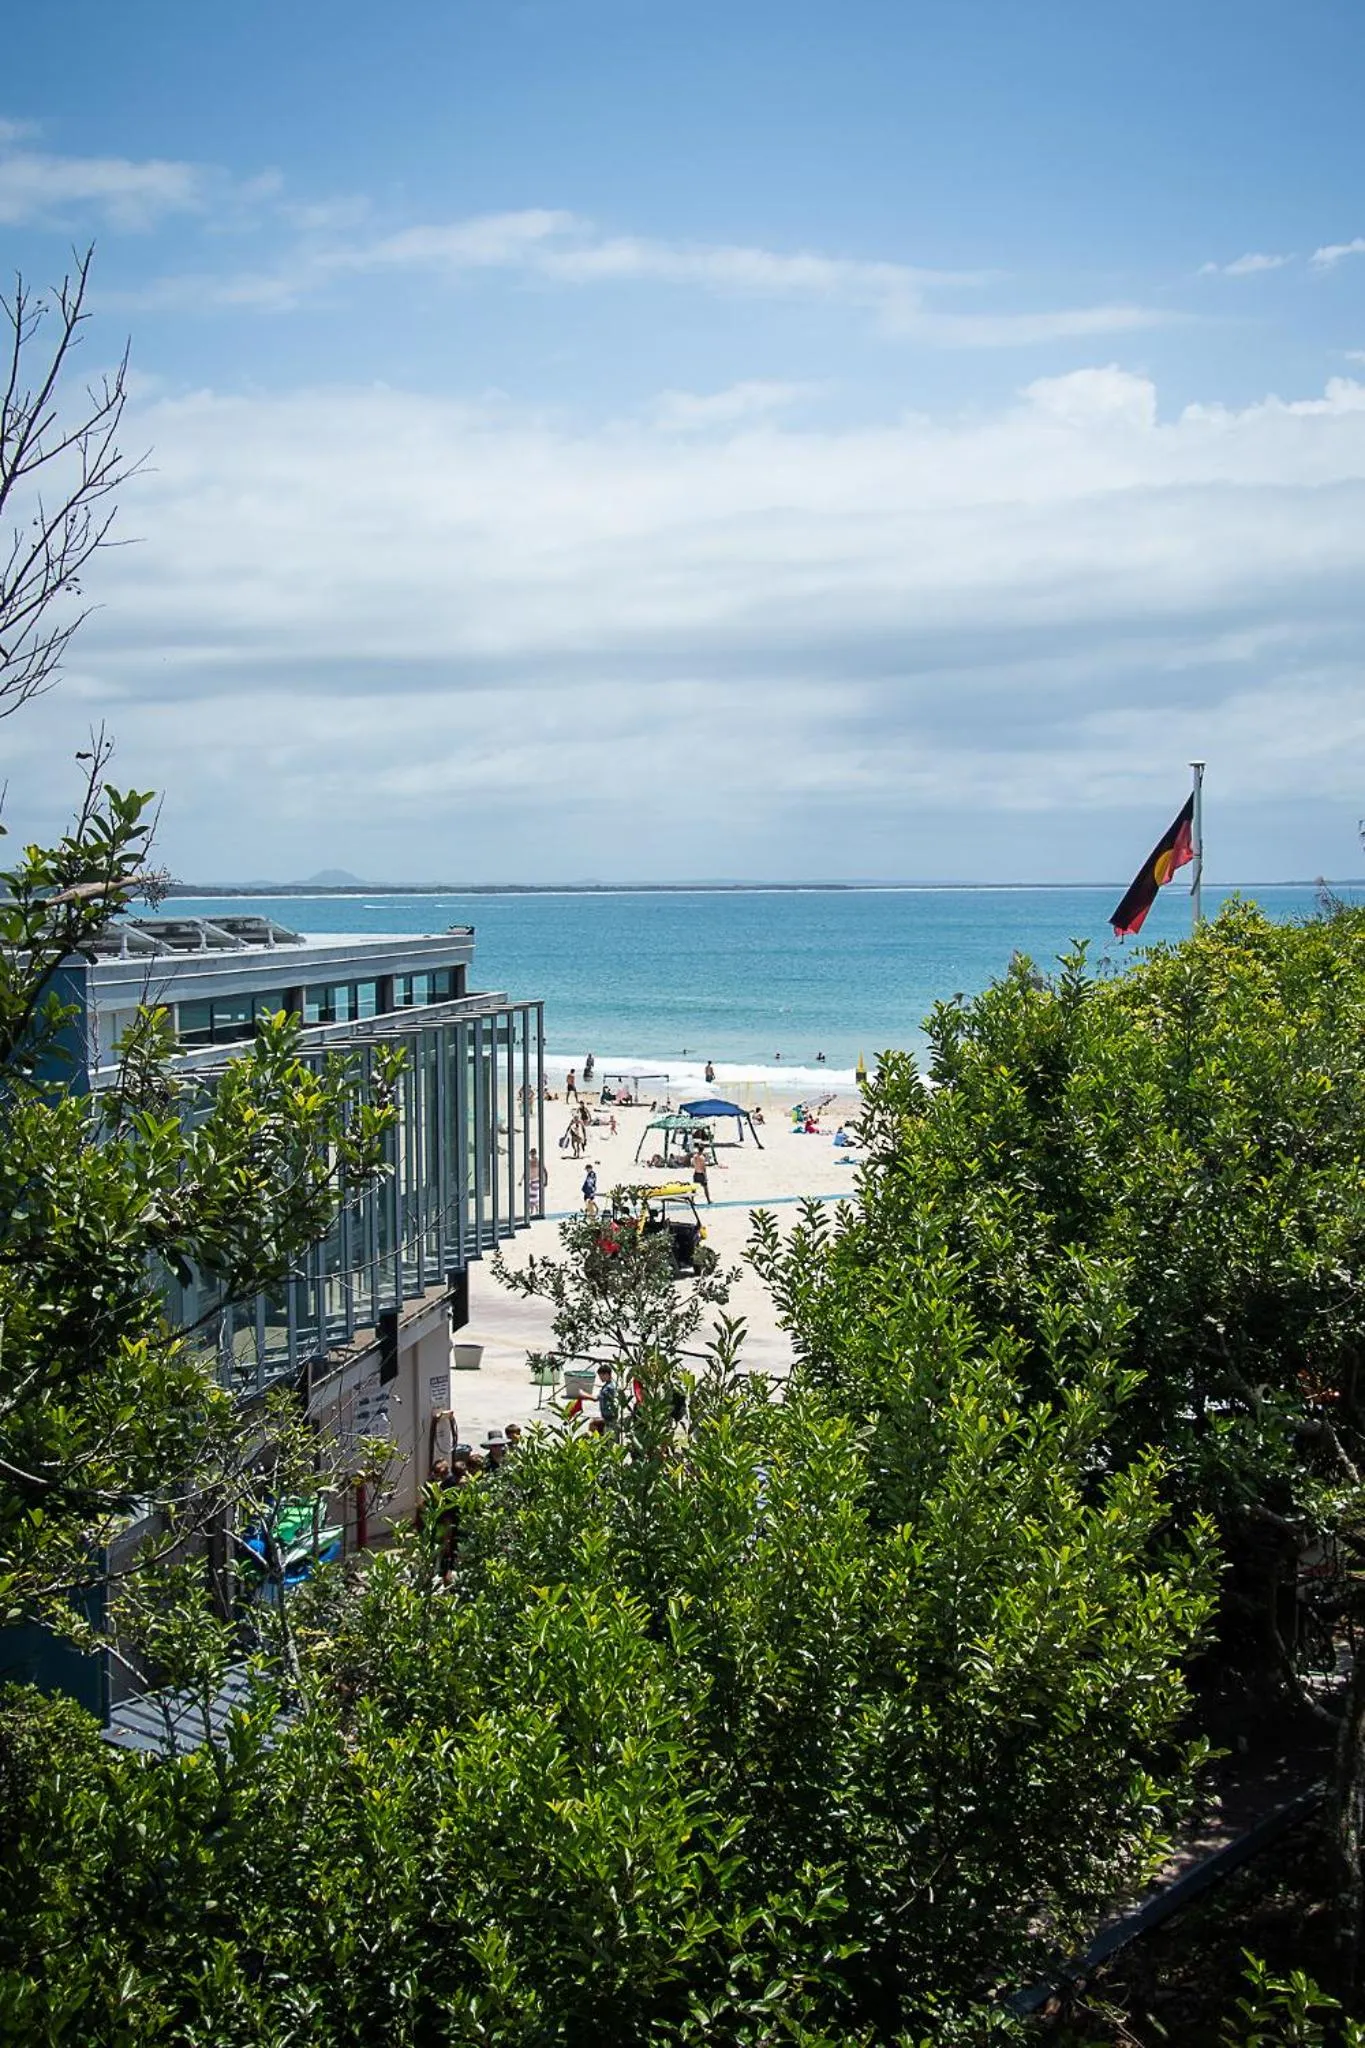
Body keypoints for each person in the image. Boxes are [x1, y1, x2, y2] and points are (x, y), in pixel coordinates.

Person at [596, 1361, 620, 1431]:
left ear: (606, 1374)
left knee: (610, 1434)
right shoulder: (609, 1385)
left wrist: (583, 1394)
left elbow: (596, 1398)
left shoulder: (609, 1387)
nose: (600, 1378)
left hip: (610, 1418)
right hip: (608, 1417)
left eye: (601, 1376)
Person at [528, 1148, 546, 1214]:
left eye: (532, 1154)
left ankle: (534, 1210)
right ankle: (534, 1209)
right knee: (531, 1196)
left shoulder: (537, 1161)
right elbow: (526, 1171)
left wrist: (545, 1181)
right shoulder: (530, 1161)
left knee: (533, 1196)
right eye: (531, 1154)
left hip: (536, 1179)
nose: (531, 1155)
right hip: (531, 1180)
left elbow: (544, 1171)